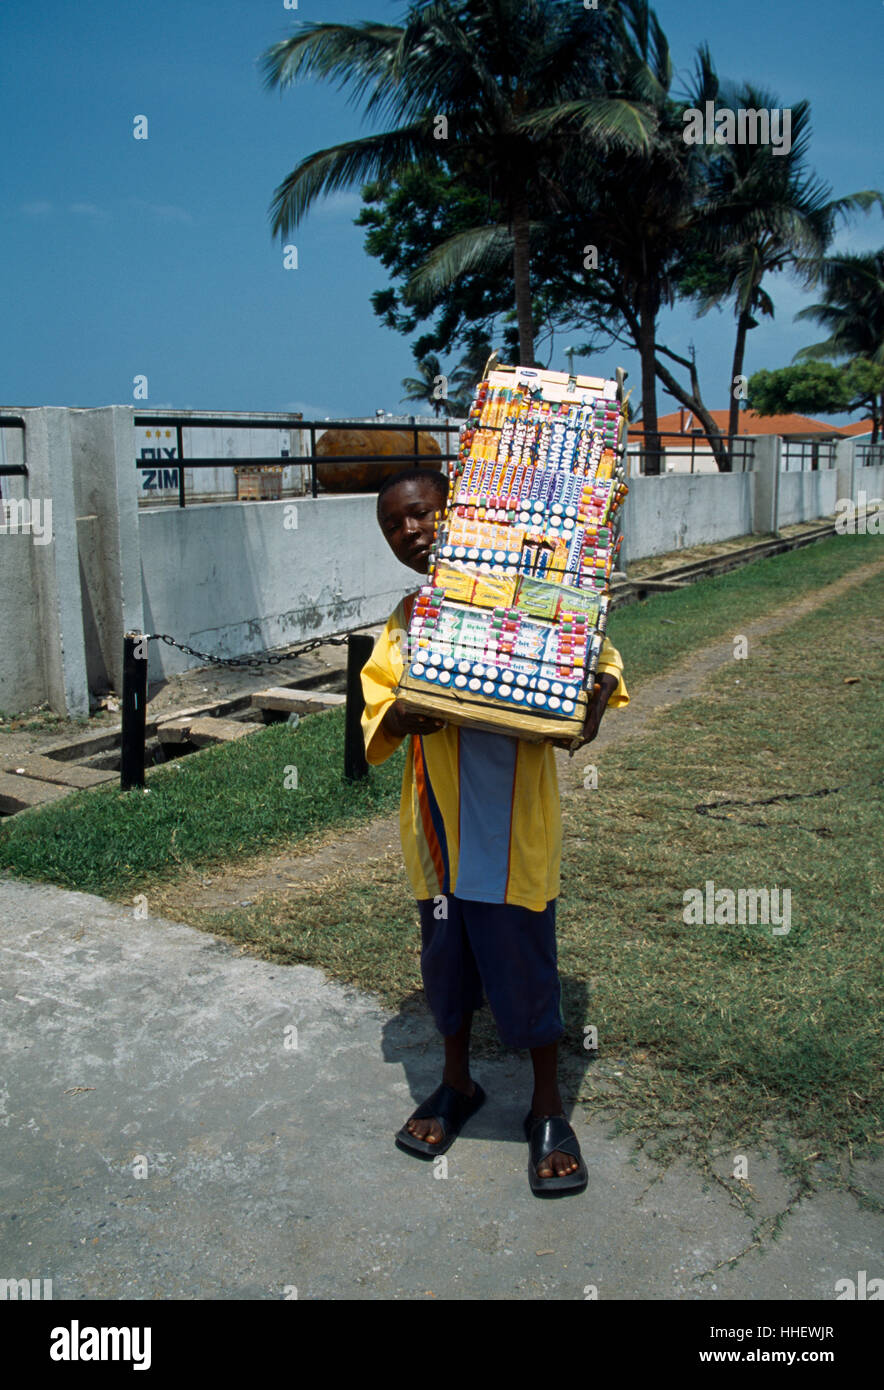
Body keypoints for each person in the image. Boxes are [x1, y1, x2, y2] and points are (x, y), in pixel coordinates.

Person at [361, 467, 629, 1195]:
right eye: (393, 525)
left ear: (461, 512)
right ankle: (457, 1084)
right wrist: (421, 702)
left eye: (420, 514)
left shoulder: (532, 594)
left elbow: (595, 655)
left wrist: (594, 695)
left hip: (515, 825)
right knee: (446, 958)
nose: (410, 532)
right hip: (440, 828)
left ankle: (546, 1108)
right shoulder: (410, 619)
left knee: (524, 957)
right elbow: (378, 713)